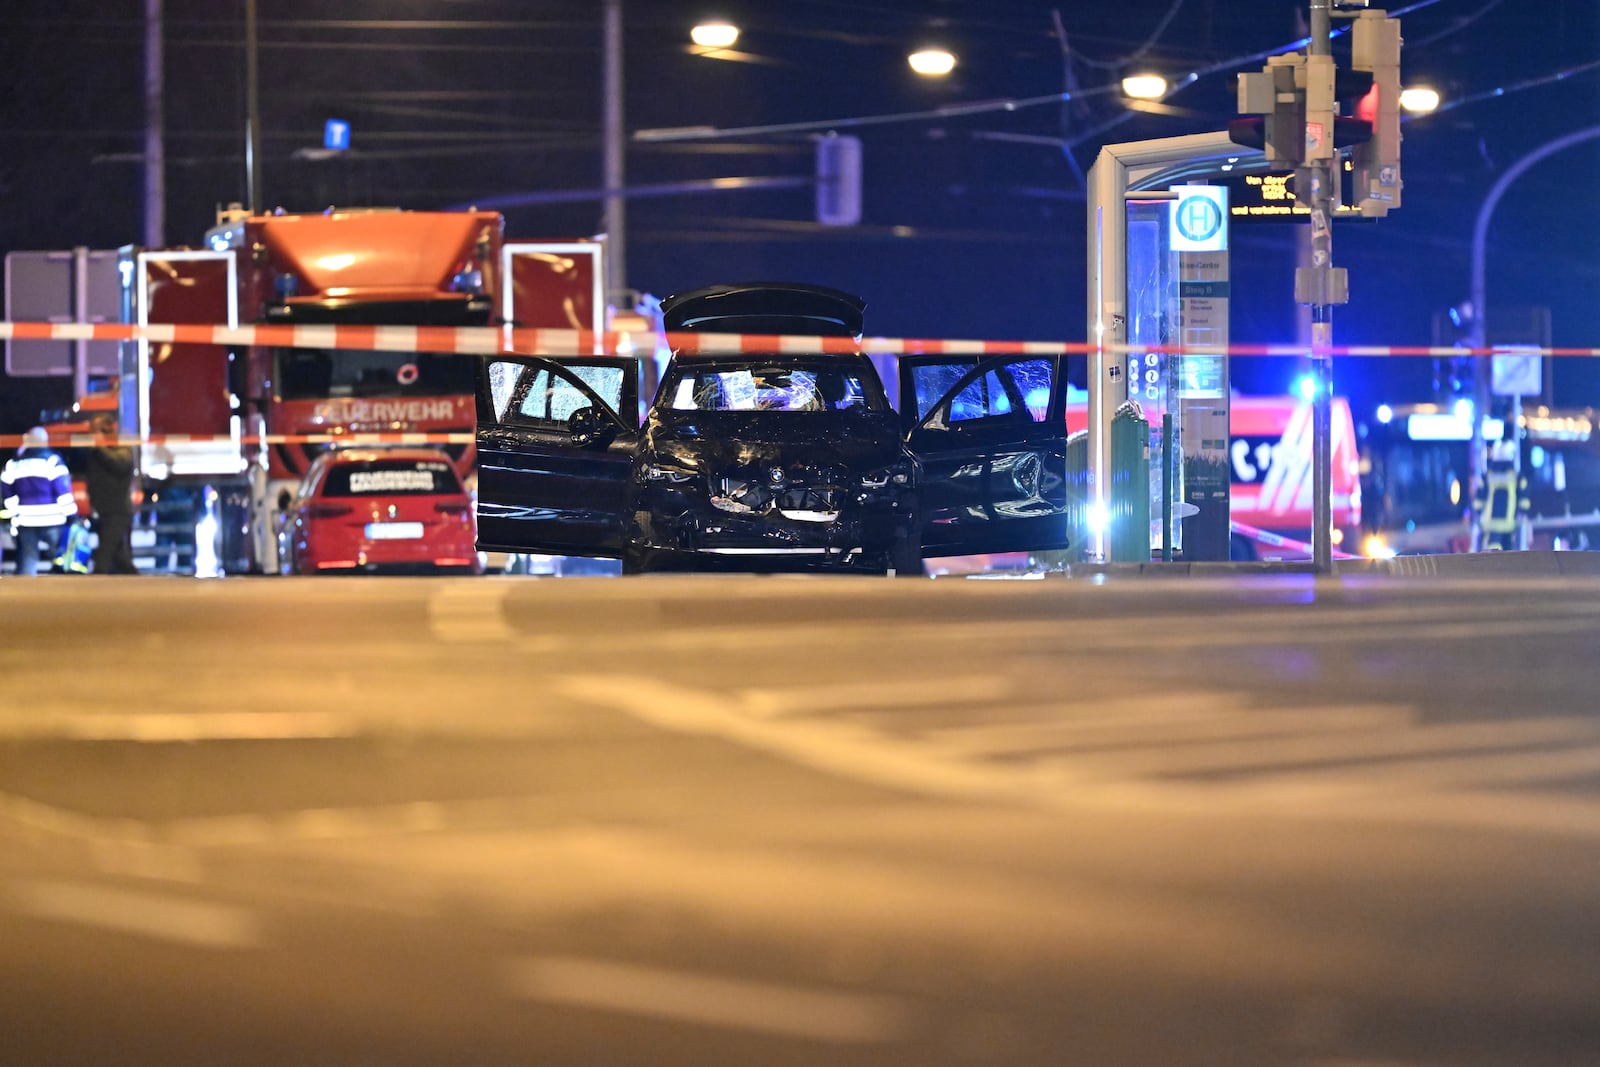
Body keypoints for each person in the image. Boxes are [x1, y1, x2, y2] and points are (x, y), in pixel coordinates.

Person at [1, 427, 76, 576]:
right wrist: (71, 516)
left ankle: (28, 596)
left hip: (25, 520)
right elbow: (63, 493)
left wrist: (14, 512)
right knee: (59, 557)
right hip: (53, 520)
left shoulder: (13, 465)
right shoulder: (53, 462)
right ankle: (64, 592)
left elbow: (6, 492)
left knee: (28, 560)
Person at [84, 412, 138, 574]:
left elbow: (120, 464)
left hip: (117, 511)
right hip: (103, 510)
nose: (93, 434)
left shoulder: (121, 447)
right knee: (119, 558)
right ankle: (139, 583)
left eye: (98, 430)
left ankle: (94, 592)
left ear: (110, 428)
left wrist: (101, 447)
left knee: (104, 557)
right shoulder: (95, 452)